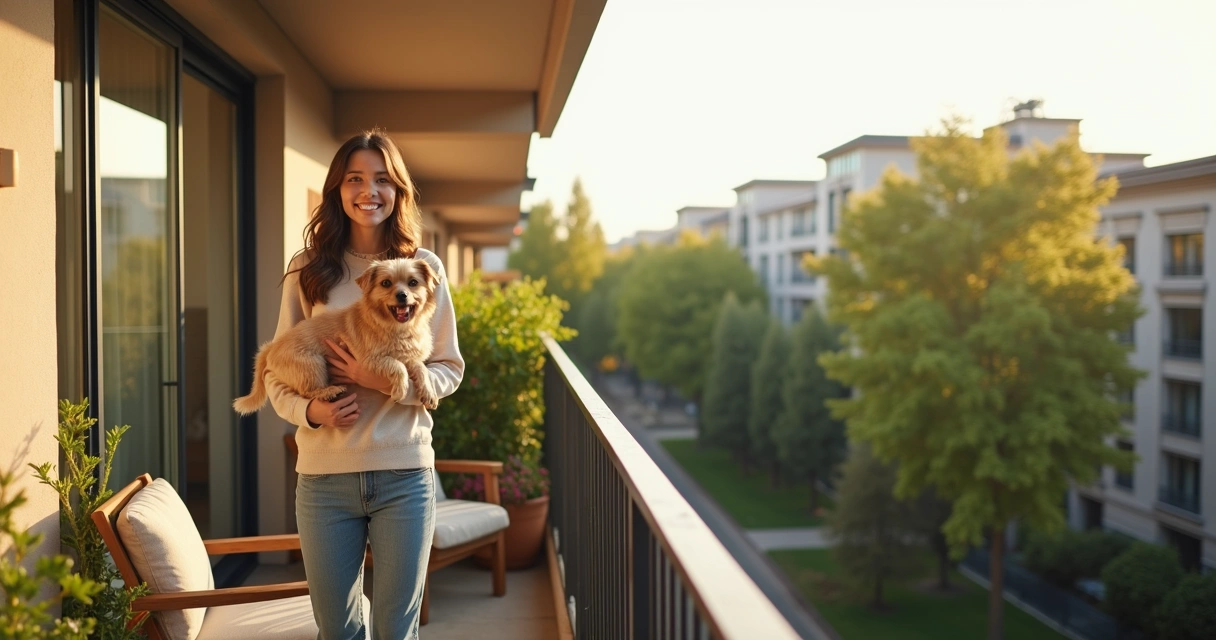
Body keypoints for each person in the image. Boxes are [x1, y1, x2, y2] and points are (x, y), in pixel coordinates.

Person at [265, 129, 464, 639]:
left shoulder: (424, 269)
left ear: (398, 191)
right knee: (338, 631)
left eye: (382, 179)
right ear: (337, 188)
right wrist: (312, 413)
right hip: (325, 479)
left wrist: (386, 381)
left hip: (404, 474)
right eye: (355, 178)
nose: (368, 191)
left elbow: (448, 367)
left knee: (396, 632)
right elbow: (277, 373)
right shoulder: (307, 271)